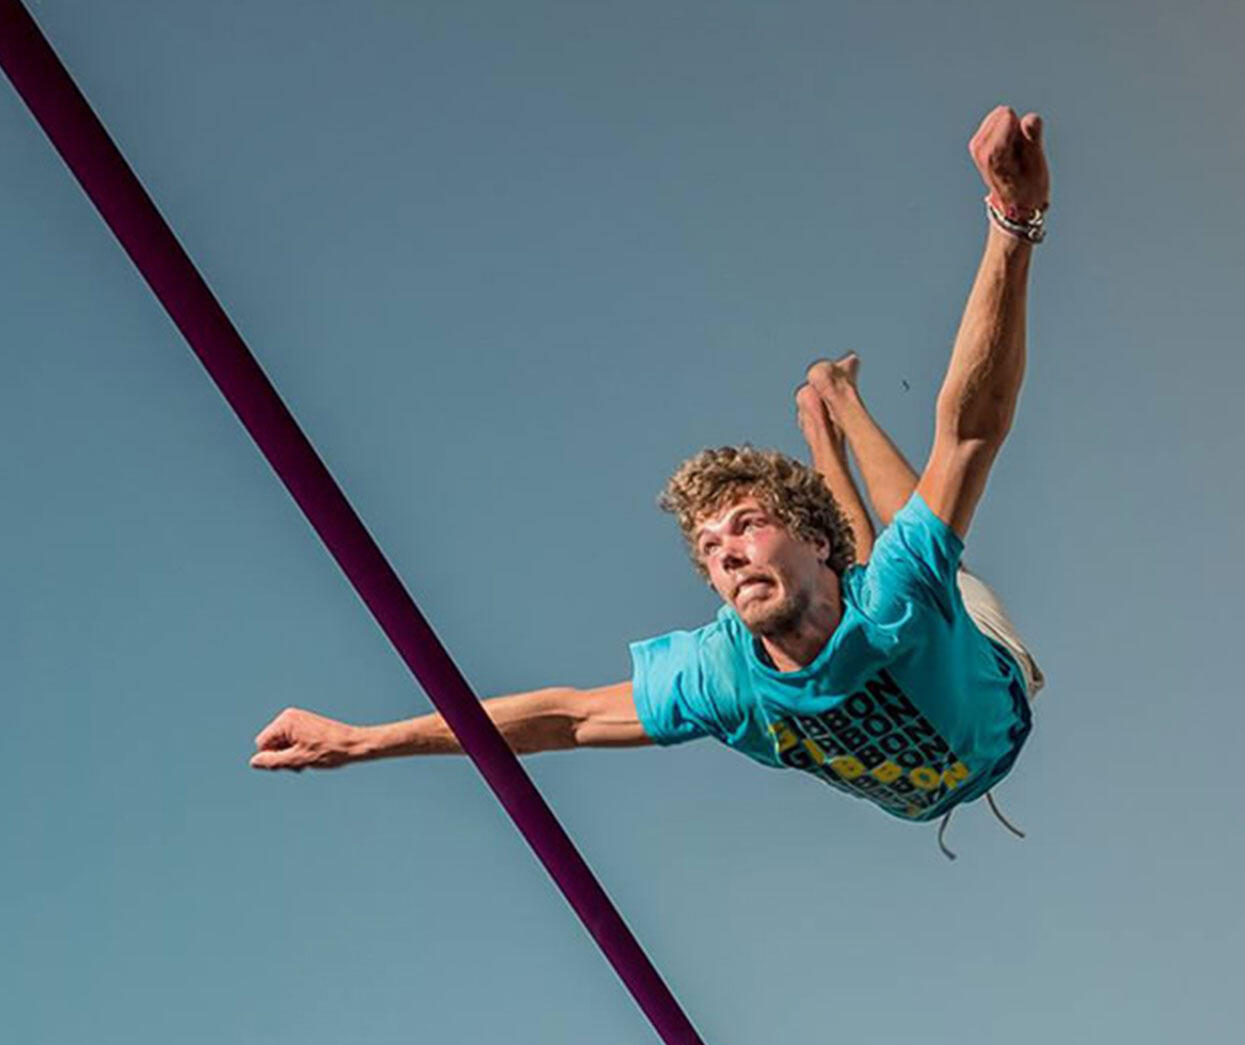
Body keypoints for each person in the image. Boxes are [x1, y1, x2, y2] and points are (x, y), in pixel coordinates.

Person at [252, 106, 1050, 853]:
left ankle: (834, 403)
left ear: (803, 538)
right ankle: (822, 418)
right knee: (883, 562)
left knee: (920, 549)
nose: (727, 552)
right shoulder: (723, 676)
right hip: (917, 698)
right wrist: (361, 741)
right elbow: (563, 719)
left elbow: (971, 429)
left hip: (987, 681)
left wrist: (1011, 226)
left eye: (743, 524)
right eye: (709, 545)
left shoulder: (898, 596)